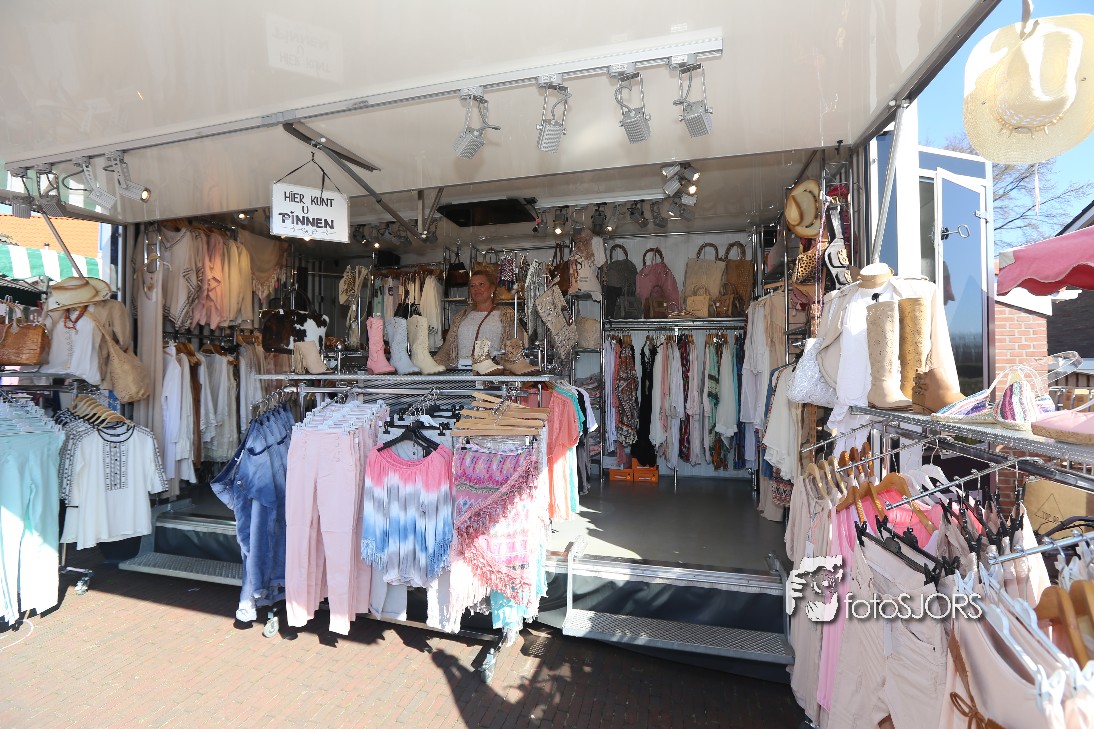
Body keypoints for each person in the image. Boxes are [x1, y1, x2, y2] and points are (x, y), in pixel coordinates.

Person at [435, 270, 516, 368]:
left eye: (481, 284)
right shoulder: (460, 317)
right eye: (472, 286)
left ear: (492, 288)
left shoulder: (507, 316)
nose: (476, 289)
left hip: (492, 373)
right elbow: (447, 348)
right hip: (462, 373)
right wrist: (434, 365)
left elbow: (516, 346)